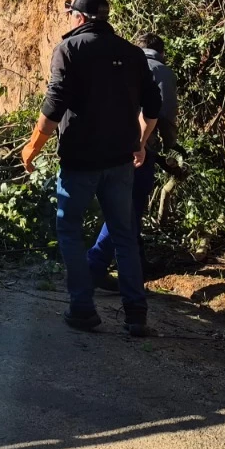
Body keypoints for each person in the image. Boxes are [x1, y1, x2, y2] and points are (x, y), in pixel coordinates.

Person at [22, 0, 161, 336]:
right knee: (124, 235)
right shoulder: (132, 53)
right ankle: (136, 315)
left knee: (69, 232)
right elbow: (153, 107)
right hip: (120, 161)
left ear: (79, 18)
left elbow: (53, 107)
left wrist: (32, 147)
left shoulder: (69, 49)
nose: (69, 18)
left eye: (71, 14)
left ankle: (83, 309)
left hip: (80, 162)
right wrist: (141, 145)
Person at [86, 31, 178, 288]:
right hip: (137, 150)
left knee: (121, 206)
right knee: (128, 208)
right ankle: (93, 266)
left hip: (103, 146)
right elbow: (165, 114)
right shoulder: (161, 71)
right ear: (161, 52)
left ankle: (136, 265)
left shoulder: (119, 63)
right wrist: (169, 144)